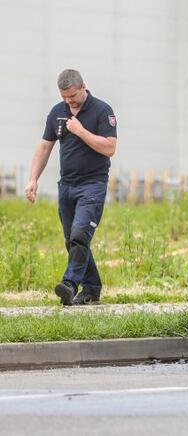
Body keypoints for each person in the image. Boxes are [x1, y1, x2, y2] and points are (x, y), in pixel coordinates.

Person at [24, 69, 118, 305]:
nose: (69, 102)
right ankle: (92, 289)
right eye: (65, 97)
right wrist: (33, 178)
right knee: (73, 241)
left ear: (84, 86)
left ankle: (69, 284)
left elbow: (109, 148)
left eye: (73, 96)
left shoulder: (102, 111)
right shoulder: (58, 112)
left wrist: (81, 131)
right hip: (66, 186)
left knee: (79, 235)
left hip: (92, 185)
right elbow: (45, 147)